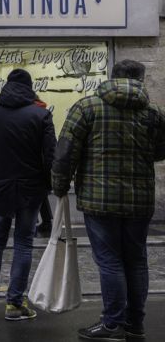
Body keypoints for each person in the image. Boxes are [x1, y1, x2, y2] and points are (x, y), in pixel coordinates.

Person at [52, 60, 165, 341]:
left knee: (110, 260)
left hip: (98, 199)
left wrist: (59, 185)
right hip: (140, 200)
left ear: (112, 76)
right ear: (141, 79)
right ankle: (135, 324)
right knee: (137, 260)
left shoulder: (87, 107)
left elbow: (65, 151)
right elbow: (160, 151)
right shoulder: (153, 113)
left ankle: (112, 323)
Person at [0, 68, 56, 321]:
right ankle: (14, 303)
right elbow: (50, 156)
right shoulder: (41, 115)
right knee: (23, 243)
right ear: (30, 87)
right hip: (30, 188)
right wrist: (49, 184)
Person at [33, 96, 53, 237]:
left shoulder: (30, 113)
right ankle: (47, 221)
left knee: (36, 195)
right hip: (43, 161)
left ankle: (35, 223)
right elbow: (51, 143)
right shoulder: (44, 112)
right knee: (41, 194)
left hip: (33, 160)